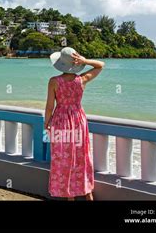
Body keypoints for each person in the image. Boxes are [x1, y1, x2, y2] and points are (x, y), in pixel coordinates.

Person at [44, 47, 105, 201]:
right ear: (76, 64)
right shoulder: (82, 79)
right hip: (79, 120)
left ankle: (69, 194)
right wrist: (85, 61)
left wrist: (47, 123)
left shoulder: (54, 82)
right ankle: (87, 192)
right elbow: (100, 65)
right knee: (81, 156)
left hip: (61, 120)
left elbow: (49, 106)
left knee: (63, 158)